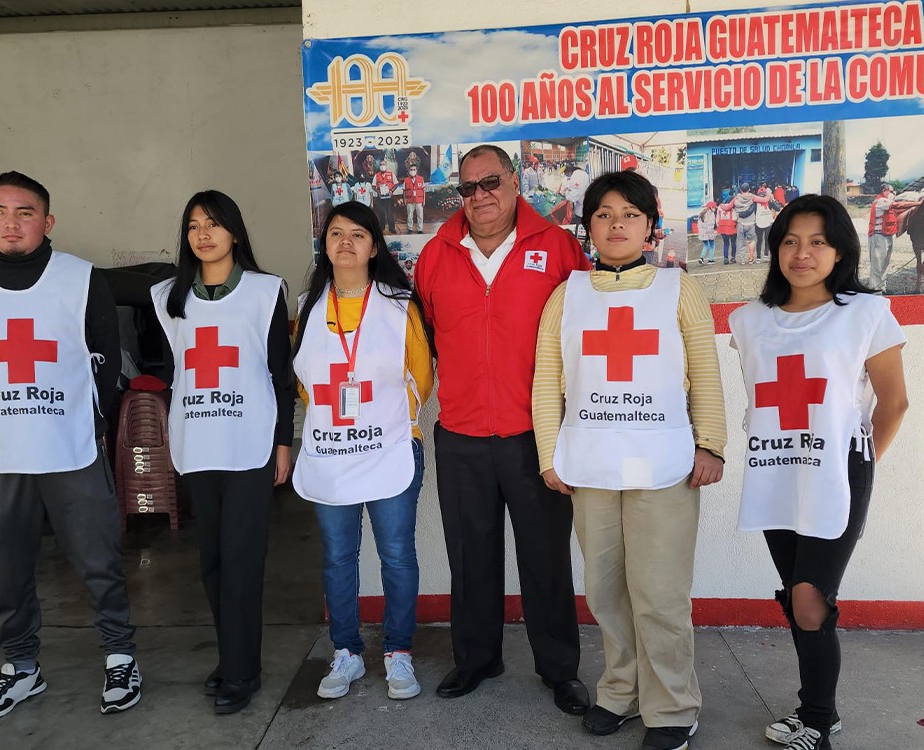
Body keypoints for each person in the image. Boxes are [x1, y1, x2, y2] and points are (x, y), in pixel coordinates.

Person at [533, 170, 726, 750]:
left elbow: (705, 373)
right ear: (588, 226)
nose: (616, 224)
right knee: (606, 591)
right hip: (591, 465)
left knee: (660, 593)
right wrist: (549, 453)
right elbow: (548, 380)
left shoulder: (678, 288)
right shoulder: (567, 295)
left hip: (663, 464)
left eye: (630, 215)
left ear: (649, 227)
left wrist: (711, 442)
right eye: (604, 214)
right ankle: (620, 690)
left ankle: (671, 707)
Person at [0, 171, 141, 722]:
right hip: (0, 454)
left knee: (98, 560)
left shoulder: (80, 279)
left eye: (25, 212)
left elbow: (105, 357)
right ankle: (21, 667)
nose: (11, 222)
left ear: (47, 221)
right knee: (8, 565)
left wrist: (91, 425)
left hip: (70, 448)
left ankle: (120, 656)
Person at [414, 144, 591, 714]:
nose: (480, 196)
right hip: (461, 433)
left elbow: (585, 336)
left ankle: (560, 670)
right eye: (467, 188)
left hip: (535, 436)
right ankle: (476, 658)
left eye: (490, 182)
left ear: (514, 182)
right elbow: (428, 335)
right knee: (469, 555)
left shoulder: (559, 247)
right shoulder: (436, 254)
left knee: (546, 558)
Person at [729, 194, 908, 750]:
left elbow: (894, 402)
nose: (801, 253)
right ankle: (813, 712)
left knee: (811, 598)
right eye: (789, 240)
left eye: (817, 242)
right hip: (776, 468)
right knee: (795, 593)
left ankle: (819, 721)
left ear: (839, 251)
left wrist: (857, 466)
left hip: (839, 471)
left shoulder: (866, 314)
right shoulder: (749, 321)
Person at [150, 190, 293, 714]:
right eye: (193, 226)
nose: (202, 234)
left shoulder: (264, 291)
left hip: (250, 444)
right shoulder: (168, 296)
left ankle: (242, 671)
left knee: (241, 560)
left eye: (213, 224)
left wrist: (284, 441)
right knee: (210, 562)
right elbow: (175, 375)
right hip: (196, 443)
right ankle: (232, 656)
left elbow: (281, 372)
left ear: (235, 231)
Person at [292, 201, 433, 702]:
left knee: (396, 556)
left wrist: (378, 422)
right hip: (331, 450)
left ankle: (398, 652)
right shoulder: (310, 309)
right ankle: (346, 651)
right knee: (338, 557)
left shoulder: (399, 305)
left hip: (389, 446)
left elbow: (421, 375)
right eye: (335, 233)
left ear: (375, 246)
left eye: (357, 234)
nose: (345, 242)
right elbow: (304, 381)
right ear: (324, 244)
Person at [867, 183, 897, 289]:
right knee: (877, 265)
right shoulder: (880, 201)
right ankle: (875, 290)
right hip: (878, 237)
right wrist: (918, 203)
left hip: (887, 236)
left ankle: (882, 288)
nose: (893, 193)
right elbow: (896, 205)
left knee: (885, 264)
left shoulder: (888, 201)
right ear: (885, 191)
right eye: (892, 191)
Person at [373, 159, 398, 233]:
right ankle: (381, 227)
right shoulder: (376, 175)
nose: (382, 166)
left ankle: (392, 228)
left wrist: (392, 191)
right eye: (381, 165)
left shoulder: (391, 174)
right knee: (381, 213)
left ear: (386, 165)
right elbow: (373, 186)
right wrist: (378, 192)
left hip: (389, 197)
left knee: (390, 213)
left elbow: (396, 184)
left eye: (383, 164)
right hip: (380, 197)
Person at [755, 184, 776, 263]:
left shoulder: (755, 203)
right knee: (767, 240)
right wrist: (772, 199)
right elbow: (777, 207)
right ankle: (766, 255)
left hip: (758, 223)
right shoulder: (769, 202)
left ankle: (758, 257)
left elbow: (751, 211)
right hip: (768, 223)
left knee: (759, 240)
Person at [402, 163, 426, 233]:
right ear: (409, 171)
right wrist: (404, 200)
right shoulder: (406, 180)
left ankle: (420, 229)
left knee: (420, 215)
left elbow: (423, 190)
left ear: (416, 170)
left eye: (414, 169)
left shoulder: (421, 179)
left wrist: (424, 200)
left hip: (419, 200)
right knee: (409, 216)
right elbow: (404, 191)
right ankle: (410, 229)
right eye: (411, 169)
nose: (413, 171)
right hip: (409, 200)